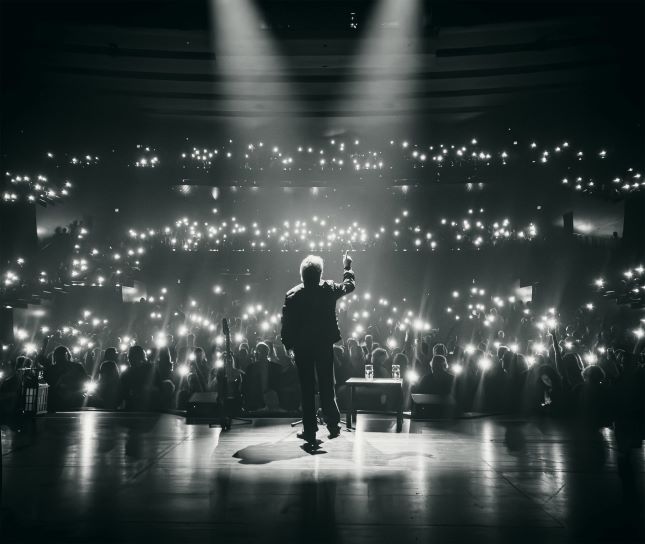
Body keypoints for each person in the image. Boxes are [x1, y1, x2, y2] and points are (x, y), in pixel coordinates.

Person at [281, 251, 355, 445]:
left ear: (302, 274)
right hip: (323, 344)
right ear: (320, 273)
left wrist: (288, 346)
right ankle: (333, 425)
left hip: (302, 346)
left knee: (306, 389)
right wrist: (347, 267)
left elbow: (286, 324)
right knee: (326, 386)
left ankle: (310, 431)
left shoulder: (292, 295)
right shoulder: (329, 288)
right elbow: (349, 286)